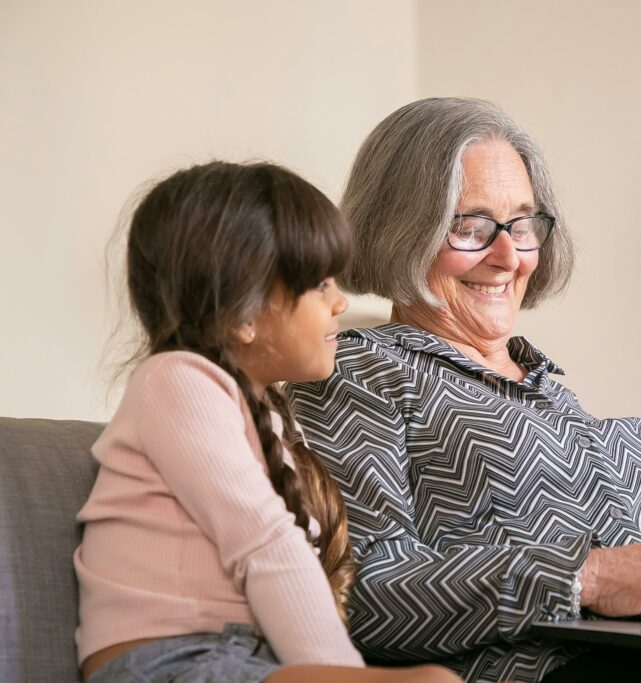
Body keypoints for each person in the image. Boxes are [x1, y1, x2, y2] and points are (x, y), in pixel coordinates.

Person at [287, 98, 641, 683]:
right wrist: (583, 577)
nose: (507, 257)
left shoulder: (556, 397)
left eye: (522, 225)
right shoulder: (358, 371)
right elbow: (357, 592)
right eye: (469, 226)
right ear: (401, 229)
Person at [74, 161, 459, 683]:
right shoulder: (176, 381)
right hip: (163, 664)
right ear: (243, 315)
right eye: (321, 284)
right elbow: (265, 543)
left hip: (238, 659)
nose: (341, 301)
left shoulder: (266, 409)